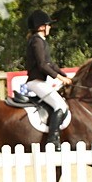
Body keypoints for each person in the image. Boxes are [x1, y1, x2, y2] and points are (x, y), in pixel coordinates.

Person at [23, 9, 72, 148]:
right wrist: (59, 78)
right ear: (41, 27)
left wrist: (65, 76)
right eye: (48, 24)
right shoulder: (36, 41)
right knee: (60, 106)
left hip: (39, 82)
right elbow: (42, 65)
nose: (50, 27)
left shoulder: (41, 41)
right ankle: (53, 140)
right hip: (35, 82)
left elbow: (51, 64)